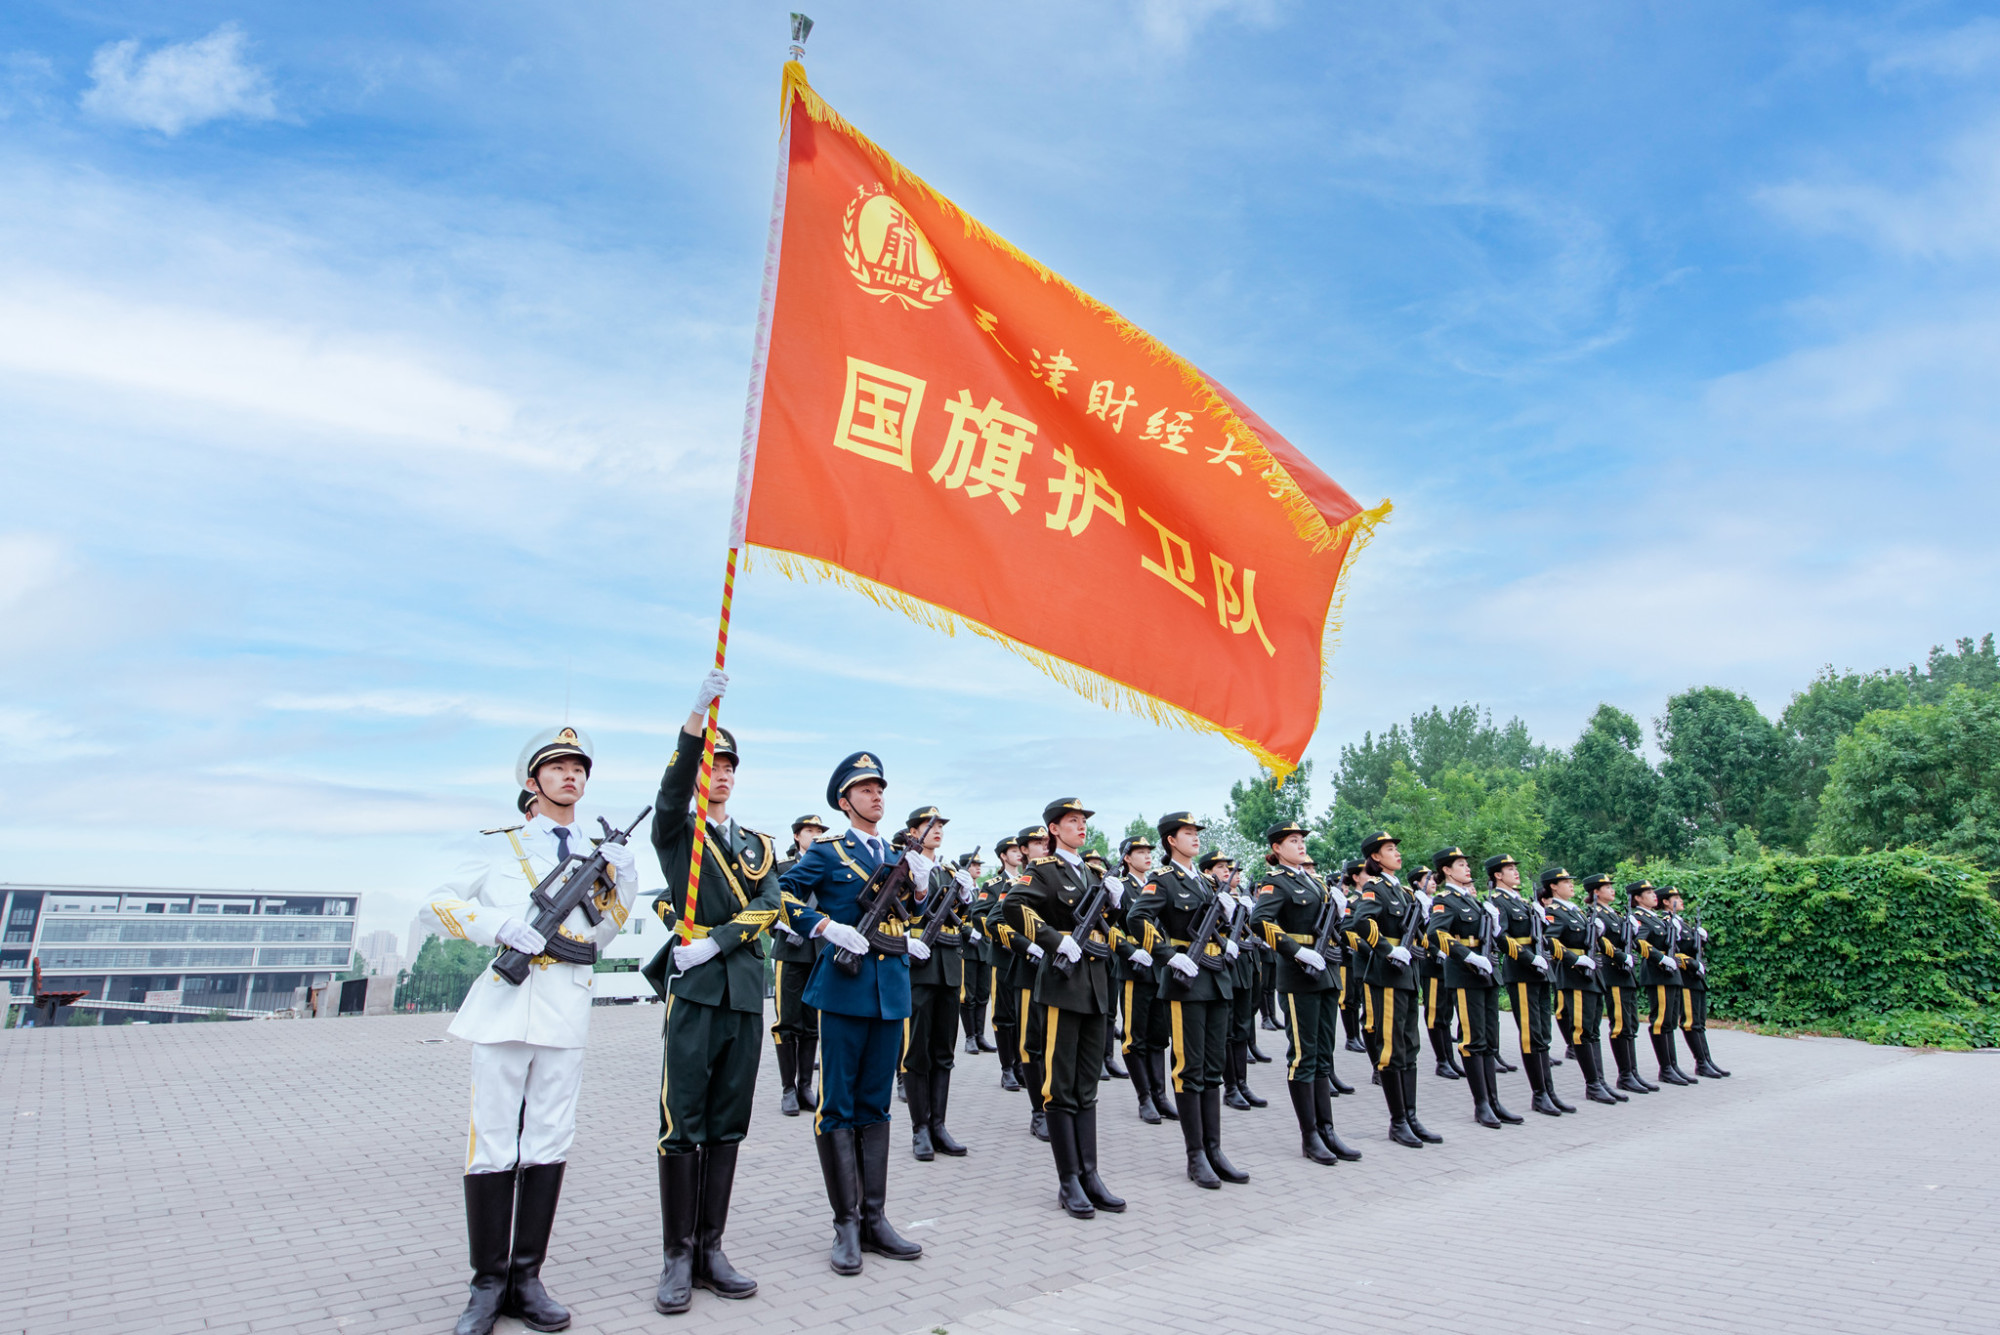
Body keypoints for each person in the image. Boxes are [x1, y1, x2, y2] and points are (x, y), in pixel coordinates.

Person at [423, 725, 637, 1335]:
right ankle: (487, 1284)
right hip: (506, 1004)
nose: (571, 776)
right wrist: (495, 926)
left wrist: (623, 880)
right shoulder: (501, 844)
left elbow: (603, 933)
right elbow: (435, 902)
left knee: (549, 1139)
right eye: (559, 767)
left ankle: (527, 1278)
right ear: (533, 780)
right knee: (493, 1143)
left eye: (579, 768)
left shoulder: (602, 852)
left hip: (565, 1007)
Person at [646, 674, 786, 1313]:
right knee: (684, 1120)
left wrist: (721, 940)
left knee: (729, 1119)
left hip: (743, 990)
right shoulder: (679, 832)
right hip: (696, 991)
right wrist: (694, 719)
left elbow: (770, 903)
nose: (721, 773)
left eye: (728, 766)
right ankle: (677, 1255)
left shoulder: (759, 845)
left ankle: (711, 1248)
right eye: (712, 764)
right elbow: (671, 791)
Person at [778, 752, 924, 1276]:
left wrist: (921, 887)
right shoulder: (827, 850)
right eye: (865, 789)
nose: (876, 795)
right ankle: (845, 1223)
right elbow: (781, 893)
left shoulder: (898, 853)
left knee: (876, 1104)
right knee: (838, 1105)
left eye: (880, 788)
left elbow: (913, 912)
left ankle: (874, 1218)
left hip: (889, 990)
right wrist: (822, 926)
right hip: (844, 987)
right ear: (844, 801)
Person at [1004, 797, 1143, 1218]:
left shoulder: (1095, 874)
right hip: (1062, 986)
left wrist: (1116, 904)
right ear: (1053, 829)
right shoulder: (1043, 870)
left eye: (1083, 820)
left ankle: (1090, 1175)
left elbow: (1113, 926)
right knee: (1060, 1086)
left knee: (1086, 1085)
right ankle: (1068, 1182)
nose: (1081, 826)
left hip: (1096, 984)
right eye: (1072, 820)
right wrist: (1053, 940)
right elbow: (1013, 907)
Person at [1130, 812, 1246, 1189]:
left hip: (1215, 977)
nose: (1195, 838)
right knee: (1189, 1068)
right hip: (1186, 980)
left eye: (1197, 832)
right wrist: (1167, 954)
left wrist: (1228, 926)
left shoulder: (1208, 882)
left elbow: (1215, 925)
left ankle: (1215, 1150)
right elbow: (1137, 918)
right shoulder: (1163, 879)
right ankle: (1195, 1155)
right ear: (1171, 840)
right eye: (1188, 832)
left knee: (1213, 1068)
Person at [1250, 821, 1362, 1165]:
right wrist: (1295, 951)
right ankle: (1309, 1135)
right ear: (1277, 848)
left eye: (1302, 840)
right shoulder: (1275, 882)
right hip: (1299, 975)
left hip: (1326, 973)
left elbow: (1333, 927)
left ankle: (1328, 1130)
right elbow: (1260, 921)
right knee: (1303, 1056)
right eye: (1293, 840)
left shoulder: (1315, 882)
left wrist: (1342, 915)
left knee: (1324, 1054)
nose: (1301, 845)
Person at [1349, 832, 1438, 1148]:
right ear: (1375, 857)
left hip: (1408, 974)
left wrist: (1429, 941)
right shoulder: (1374, 888)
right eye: (1389, 849)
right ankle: (1398, 1121)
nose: (1397, 853)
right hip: (1387, 974)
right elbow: (1362, 922)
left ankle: (1411, 1117)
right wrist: (1388, 949)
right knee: (1392, 1048)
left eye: (1396, 849)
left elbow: (1416, 932)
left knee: (1410, 1046)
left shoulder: (1404, 891)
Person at [898, 807, 971, 1161]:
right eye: (931, 826)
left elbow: (960, 920)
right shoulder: (903, 866)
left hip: (948, 968)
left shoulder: (948, 871)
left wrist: (966, 898)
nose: (938, 830)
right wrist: (920, 890)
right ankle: (920, 1129)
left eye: (941, 825)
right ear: (914, 832)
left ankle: (939, 1125)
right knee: (917, 1051)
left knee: (944, 1050)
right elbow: (897, 912)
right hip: (918, 968)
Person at [1427, 847, 1509, 1130]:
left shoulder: (1474, 901)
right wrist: (1467, 956)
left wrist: (1495, 926)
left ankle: (1494, 1101)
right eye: (1460, 864)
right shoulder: (1444, 900)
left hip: (1486, 972)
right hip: (1465, 972)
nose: (1467, 868)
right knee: (1473, 1040)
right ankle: (1481, 1104)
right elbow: (1436, 934)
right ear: (1447, 870)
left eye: (1466, 864)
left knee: (1488, 1038)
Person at [1484, 854, 1562, 1117]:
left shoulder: (1523, 901)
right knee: (1531, 1034)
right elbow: (1502, 937)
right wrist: (1529, 958)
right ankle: (1539, 1094)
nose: (1516, 872)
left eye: (1515, 868)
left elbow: (1540, 936)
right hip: (1521, 971)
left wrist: (1542, 919)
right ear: (1497, 875)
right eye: (1509, 869)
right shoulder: (1497, 902)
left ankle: (1549, 1091)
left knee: (1543, 1034)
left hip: (1540, 971)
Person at [1542, 867, 1616, 1106]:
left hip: (1591, 973)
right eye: (1565, 882)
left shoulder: (1578, 911)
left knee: (1593, 1030)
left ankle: (1600, 1081)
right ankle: (1592, 1084)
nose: (1571, 885)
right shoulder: (1554, 911)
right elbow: (1550, 941)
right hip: (1575, 973)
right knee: (1583, 1030)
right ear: (1554, 886)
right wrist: (1575, 959)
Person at [772, 813, 829, 1118]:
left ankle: (806, 1087)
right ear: (797, 836)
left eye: (819, 831)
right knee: (787, 1021)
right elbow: (768, 903)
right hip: (790, 951)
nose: (815, 835)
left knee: (811, 1022)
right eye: (809, 830)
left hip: (818, 951)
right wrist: (783, 924)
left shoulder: (828, 867)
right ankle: (787, 1088)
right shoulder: (782, 867)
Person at [1106, 834, 1165, 1123]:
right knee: (1135, 1037)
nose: (1147, 856)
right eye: (1140, 852)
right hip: (1134, 967)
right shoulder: (1121, 887)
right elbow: (1107, 927)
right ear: (1127, 858)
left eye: (1149, 851)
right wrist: (1129, 952)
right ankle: (1144, 1098)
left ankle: (1160, 1095)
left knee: (1158, 1036)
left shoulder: (1157, 885)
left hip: (1158, 966)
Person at [1207, 851, 1268, 1111]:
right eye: (1221, 867)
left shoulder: (1240, 897)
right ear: (1209, 872)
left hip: (1246, 966)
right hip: (1225, 966)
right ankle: (1230, 1087)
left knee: (1242, 1028)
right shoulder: (1210, 897)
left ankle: (1242, 1084)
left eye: (1229, 867)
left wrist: (1250, 911)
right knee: (1227, 1030)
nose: (1228, 871)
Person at [1586, 874, 1647, 1097]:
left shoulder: (1616, 914)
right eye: (1607, 887)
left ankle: (1633, 1071)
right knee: (1620, 1023)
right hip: (1613, 971)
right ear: (1596, 892)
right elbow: (1601, 942)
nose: (1612, 890)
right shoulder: (1595, 913)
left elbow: (1626, 940)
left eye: (1612, 886)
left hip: (1625, 973)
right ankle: (1625, 1075)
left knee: (1631, 1023)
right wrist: (1621, 956)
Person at [1628, 881, 1691, 1086]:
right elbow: (1639, 942)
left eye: (1653, 892)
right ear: (1638, 898)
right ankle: (1665, 1068)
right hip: (1658, 971)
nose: (1654, 895)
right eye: (1648, 893)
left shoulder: (1658, 918)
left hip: (1671, 971)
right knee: (1661, 1021)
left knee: (1670, 1021)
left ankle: (1673, 1065)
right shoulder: (1639, 917)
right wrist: (1661, 958)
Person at [1666, 887, 1729, 1078]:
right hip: (1685, 976)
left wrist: (1702, 939)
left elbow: (1693, 948)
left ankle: (1707, 1061)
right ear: (1665, 902)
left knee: (1699, 1022)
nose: (1681, 900)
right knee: (1691, 1021)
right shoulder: (1668, 922)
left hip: (1695, 977)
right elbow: (1673, 952)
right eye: (1675, 898)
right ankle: (1701, 1062)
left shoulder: (1682, 922)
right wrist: (1693, 964)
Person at [978, 837, 1025, 1090]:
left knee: (1023, 1015)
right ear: (1003, 856)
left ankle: (1022, 1065)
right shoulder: (994, 885)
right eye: (1013, 851)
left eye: (1020, 850)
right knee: (1005, 1014)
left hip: (1026, 957)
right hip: (1004, 956)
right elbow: (979, 915)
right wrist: (1001, 937)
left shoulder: (1030, 880)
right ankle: (1007, 1068)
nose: (1018, 854)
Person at [1411, 864, 1460, 1081]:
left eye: (1432, 879)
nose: (1432, 882)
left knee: (1446, 1014)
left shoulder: (1438, 901)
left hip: (1446, 962)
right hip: (1431, 963)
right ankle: (1442, 1061)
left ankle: (1450, 1059)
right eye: (1427, 879)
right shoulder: (1415, 903)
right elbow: (1418, 932)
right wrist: (1435, 950)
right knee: (1435, 1013)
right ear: (1417, 883)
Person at [957, 851, 996, 1054]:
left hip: (984, 949)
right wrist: (968, 931)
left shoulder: (981, 891)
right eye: (974, 865)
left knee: (982, 994)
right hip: (968, 948)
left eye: (979, 865)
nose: (978, 868)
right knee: (968, 995)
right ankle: (970, 1037)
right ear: (965, 867)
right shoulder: (959, 892)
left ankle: (980, 1036)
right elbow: (954, 917)